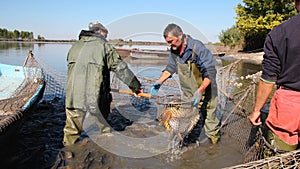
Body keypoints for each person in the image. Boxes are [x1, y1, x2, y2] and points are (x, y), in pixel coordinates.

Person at [63, 22, 142, 146]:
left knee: (71, 130)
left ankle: (68, 150)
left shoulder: (75, 46)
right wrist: (136, 87)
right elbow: (121, 69)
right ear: (100, 31)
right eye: (106, 35)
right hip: (96, 97)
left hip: (73, 96)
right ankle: (106, 143)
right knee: (104, 125)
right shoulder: (105, 46)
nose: (106, 38)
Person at [150, 23, 220, 144]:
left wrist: (200, 91)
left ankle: (214, 148)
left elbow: (210, 73)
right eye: (167, 42)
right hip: (188, 96)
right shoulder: (174, 51)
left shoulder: (197, 48)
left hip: (207, 92)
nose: (170, 45)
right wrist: (159, 82)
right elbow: (170, 68)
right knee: (188, 126)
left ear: (180, 35)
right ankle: (191, 148)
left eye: (171, 41)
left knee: (210, 124)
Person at [249, 0, 300, 151]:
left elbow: (268, 79)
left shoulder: (279, 33)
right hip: (289, 104)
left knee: (281, 158)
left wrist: (257, 110)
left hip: (289, 106)